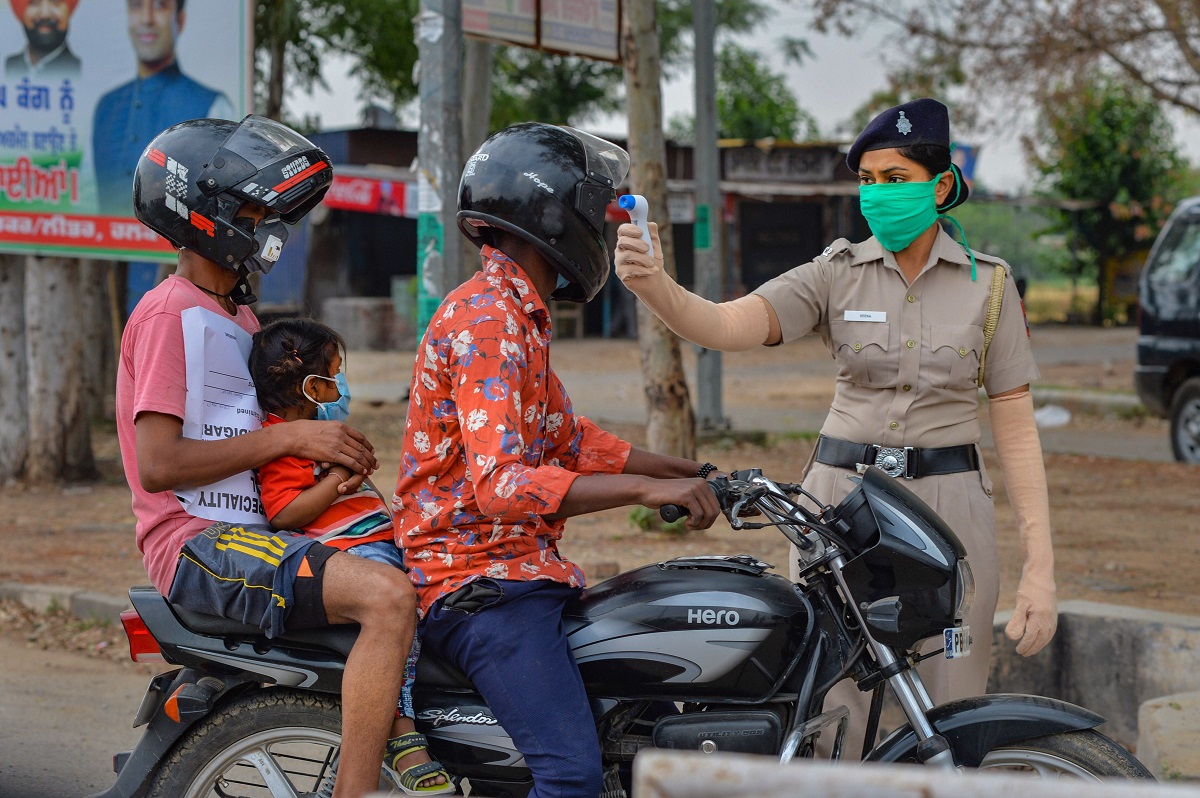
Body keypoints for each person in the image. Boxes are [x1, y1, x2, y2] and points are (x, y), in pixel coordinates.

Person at [613, 98, 1057, 757]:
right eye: (869, 181)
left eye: (896, 179)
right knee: (837, 713)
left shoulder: (988, 288)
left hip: (951, 511)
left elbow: (1016, 429)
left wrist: (1041, 569)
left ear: (939, 186)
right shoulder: (836, 273)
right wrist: (655, 287)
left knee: (949, 711)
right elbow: (728, 323)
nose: (878, 194)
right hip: (841, 509)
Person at [394, 122, 723, 798]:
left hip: (519, 570)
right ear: (553, 213)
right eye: (594, 214)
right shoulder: (490, 322)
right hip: (478, 582)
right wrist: (638, 492)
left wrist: (687, 471)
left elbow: (568, 438)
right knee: (570, 777)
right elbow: (502, 486)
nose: (601, 234)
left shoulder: (516, 314)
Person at [116, 114, 413, 798]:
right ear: (207, 212)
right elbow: (159, 464)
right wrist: (292, 437)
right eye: (254, 209)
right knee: (387, 598)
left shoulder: (240, 319)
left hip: (257, 532)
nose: (270, 224)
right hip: (198, 545)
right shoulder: (170, 315)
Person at [248, 317, 452, 796]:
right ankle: (401, 729)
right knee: (397, 610)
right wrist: (338, 478)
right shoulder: (284, 439)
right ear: (302, 383)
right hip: (352, 551)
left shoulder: (320, 427)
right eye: (332, 376)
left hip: (378, 538)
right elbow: (283, 512)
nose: (340, 387)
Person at [92, 0, 234, 215]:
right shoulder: (105, 109)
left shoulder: (213, 107)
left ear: (180, 19)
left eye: (159, 5)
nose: (146, 19)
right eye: (136, 5)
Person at [4, 0, 81, 79]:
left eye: (56, 2)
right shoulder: (9, 66)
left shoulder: (81, 69)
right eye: (34, 2)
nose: (45, 14)